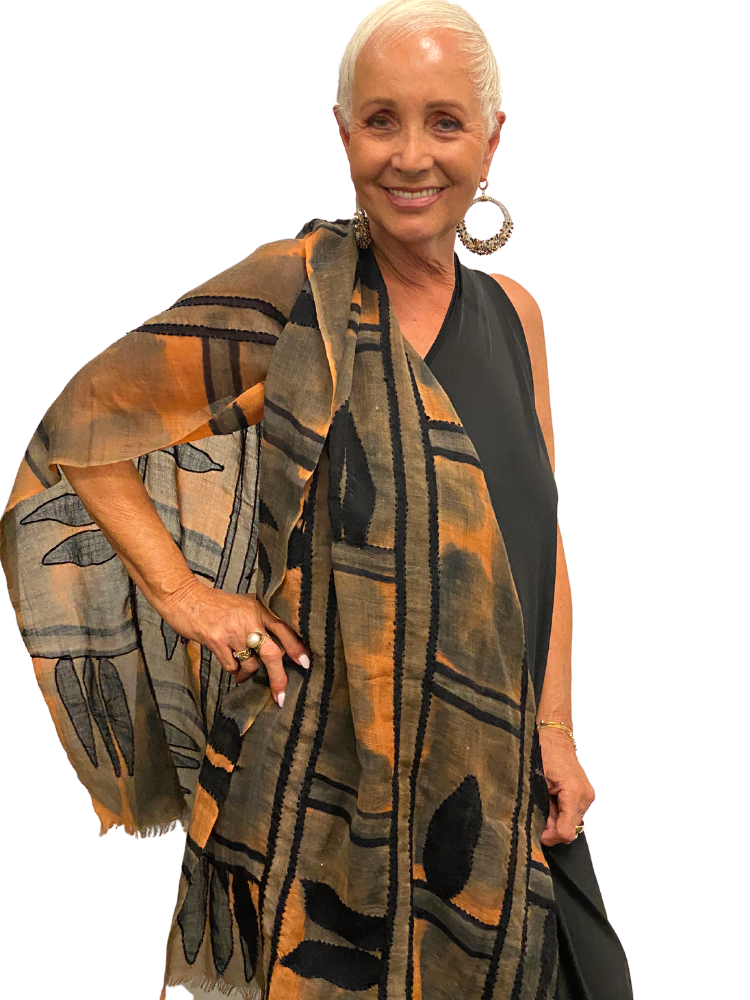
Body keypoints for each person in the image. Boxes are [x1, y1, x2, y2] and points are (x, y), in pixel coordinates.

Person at [0, 2, 634, 998]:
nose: (410, 155)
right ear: (344, 135)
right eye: (380, 121)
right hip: (338, 783)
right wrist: (186, 598)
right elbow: (84, 426)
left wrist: (556, 728)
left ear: (492, 141)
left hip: (497, 768)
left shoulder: (518, 314)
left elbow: (540, 538)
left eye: (445, 121)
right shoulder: (297, 292)